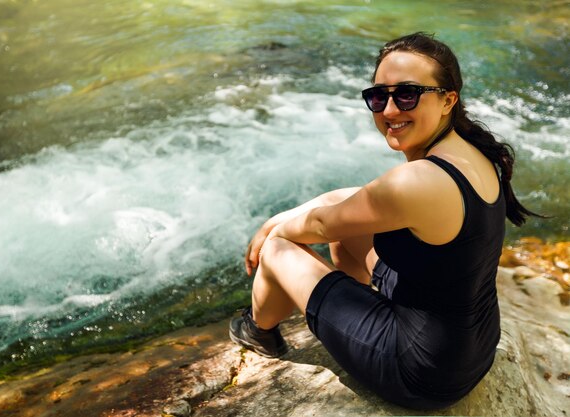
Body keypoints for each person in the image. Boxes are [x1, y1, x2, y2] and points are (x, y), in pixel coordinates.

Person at [229, 32, 540, 409]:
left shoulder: (417, 182)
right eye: (379, 96)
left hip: (419, 372)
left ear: (447, 99)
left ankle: (257, 331)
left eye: (407, 94)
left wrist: (273, 232)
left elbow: (326, 225)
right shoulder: (472, 151)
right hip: (471, 348)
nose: (390, 110)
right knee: (348, 226)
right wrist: (280, 216)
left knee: (279, 248)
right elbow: (348, 205)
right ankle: (357, 305)